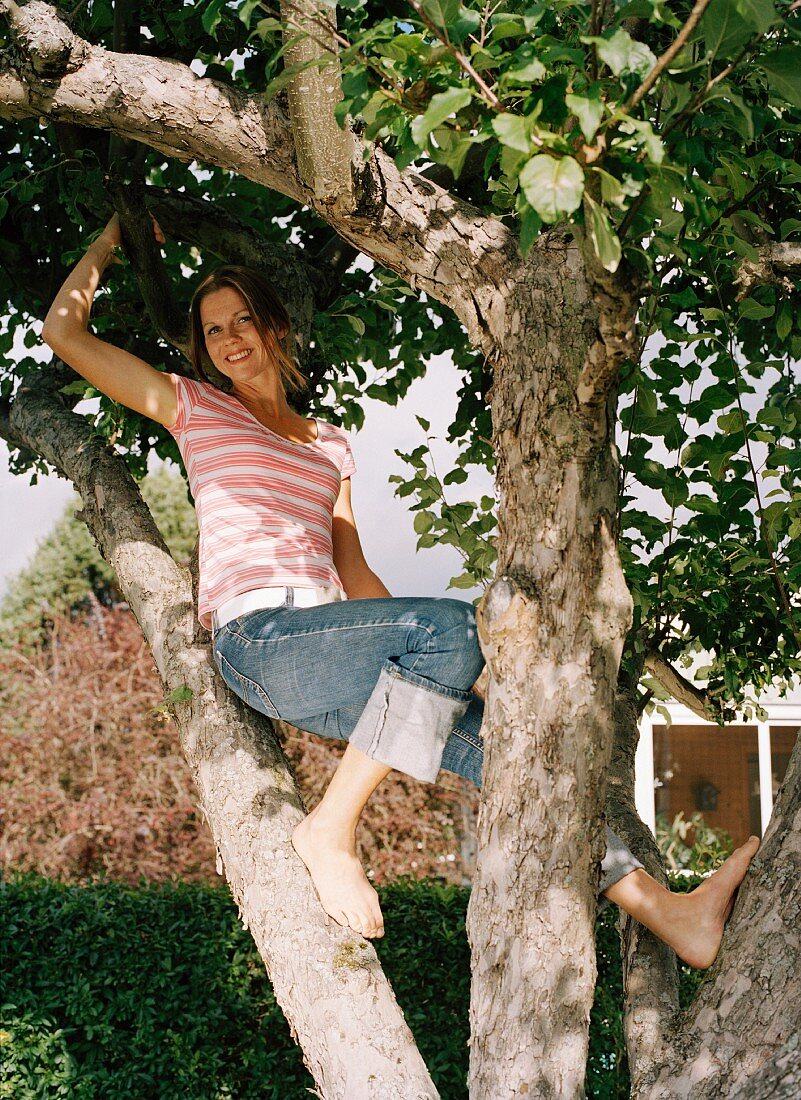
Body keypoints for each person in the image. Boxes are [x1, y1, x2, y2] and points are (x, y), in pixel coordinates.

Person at [42, 214, 759, 964]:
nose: (227, 340)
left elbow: (354, 573)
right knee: (451, 625)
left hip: (334, 648)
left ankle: (668, 913)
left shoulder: (327, 446)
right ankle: (330, 828)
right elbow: (64, 335)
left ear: (276, 328)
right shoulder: (195, 408)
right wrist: (111, 240)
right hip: (260, 641)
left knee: (508, 747)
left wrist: (455, 668)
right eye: (212, 330)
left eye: (242, 321)